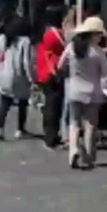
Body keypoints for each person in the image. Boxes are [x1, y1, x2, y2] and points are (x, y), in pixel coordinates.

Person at [57, 16, 107, 170]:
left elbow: (60, 65)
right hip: (92, 93)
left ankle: (73, 150)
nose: (101, 37)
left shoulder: (71, 48)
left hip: (73, 91)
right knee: (90, 126)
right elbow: (106, 72)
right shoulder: (97, 52)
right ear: (93, 34)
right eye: (99, 34)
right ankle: (88, 157)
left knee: (74, 123)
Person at [0, 17, 34, 141]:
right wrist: (31, 78)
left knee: (5, 102)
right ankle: (20, 130)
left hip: (4, 73)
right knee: (23, 102)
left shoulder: (3, 38)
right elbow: (26, 62)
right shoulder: (25, 41)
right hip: (19, 75)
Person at [36, 8, 67, 150]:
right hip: (53, 73)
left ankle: (49, 134)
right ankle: (51, 136)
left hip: (44, 72)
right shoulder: (55, 34)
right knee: (54, 107)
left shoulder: (46, 33)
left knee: (49, 105)